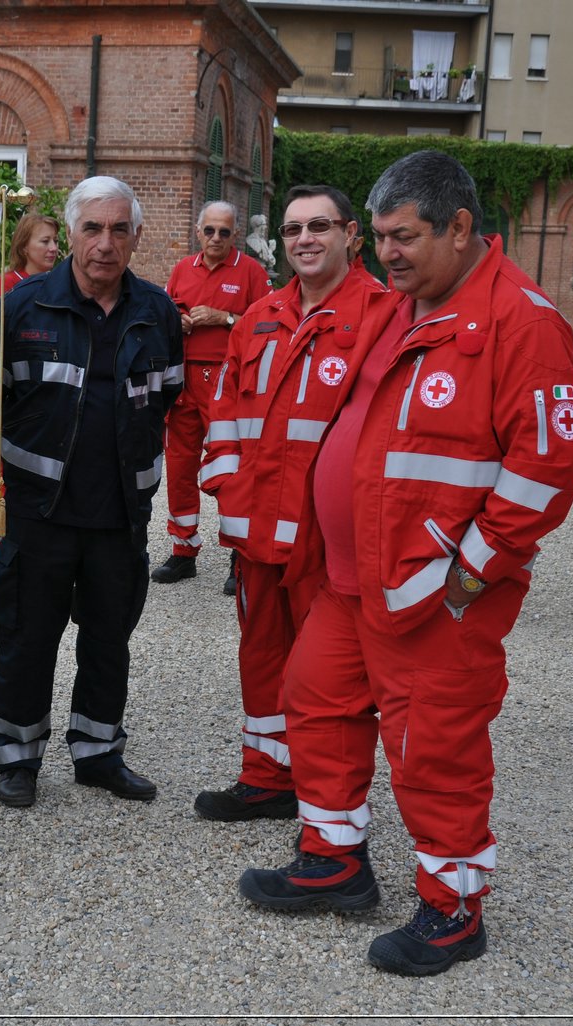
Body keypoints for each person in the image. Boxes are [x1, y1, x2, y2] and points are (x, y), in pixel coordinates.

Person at [236, 150, 573, 976]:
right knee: (314, 700)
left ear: (460, 228)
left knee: (435, 748)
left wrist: (468, 573)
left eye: (405, 237)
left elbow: (548, 466)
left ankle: (453, 907)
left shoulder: (521, 320)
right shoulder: (408, 303)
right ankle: (334, 859)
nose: (387, 253)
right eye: (383, 237)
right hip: (355, 579)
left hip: (436, 592)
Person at [0, 175, 184, 808]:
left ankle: (98, 752)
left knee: (109, 639)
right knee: (28, 638)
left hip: (122, 510)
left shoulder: (157, 313)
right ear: (70, 233)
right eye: (92, 228)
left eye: (118, 229)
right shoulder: (23, 307)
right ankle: (17, 757)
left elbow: (170, 398)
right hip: (38, 510)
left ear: (136, 237)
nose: (105, 243)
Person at [193, 184, 386, 823]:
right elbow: (223, 409)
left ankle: (323, 797)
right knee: (262, 656)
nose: (304, 239)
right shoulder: (260, 317)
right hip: (255, 532)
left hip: (325, 540)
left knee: (325, 678)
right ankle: (266, 776)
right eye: (293, 228)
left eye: (319, 227)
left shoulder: (383, 319)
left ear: (351, 235)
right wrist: (226, 486)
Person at [155, 201, 271, 589]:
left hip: (228, 382)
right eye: (210, 231)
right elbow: (166, 311)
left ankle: (240, 556)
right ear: (198, 232)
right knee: (180, 468)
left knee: (232, 470)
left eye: (224, 232)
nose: (216, 238)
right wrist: (179, 322)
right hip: (185, 381)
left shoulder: (251, 271)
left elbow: (269, 324)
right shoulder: (182, 269)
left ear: (234, 235)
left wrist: (225, 319)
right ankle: (183, 550)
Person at [0, 212, 60, 295]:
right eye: (45, 241)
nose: (54, 248)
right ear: (24, 246)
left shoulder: (57, 283)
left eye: (55, 241)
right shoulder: (6, 284)